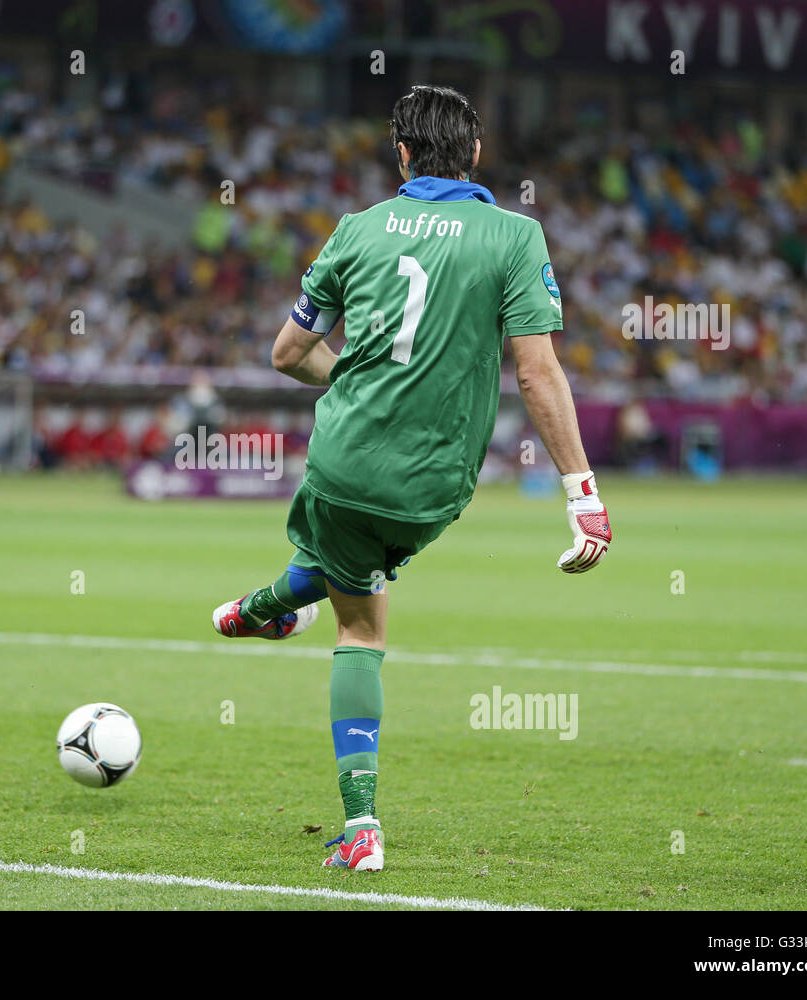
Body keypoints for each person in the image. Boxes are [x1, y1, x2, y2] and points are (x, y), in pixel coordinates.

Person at [211, 86, 613, 872]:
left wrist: (353, 388)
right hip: (435, 487)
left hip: (342, 461)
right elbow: (537, 373)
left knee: (357, 616)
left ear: (401, 154)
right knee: (359, 579)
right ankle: (263, 618)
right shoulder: (514, 235)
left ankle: (358, 818)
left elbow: (287, 354)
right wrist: (582, 493)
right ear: (476, 154)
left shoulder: (358, 228)